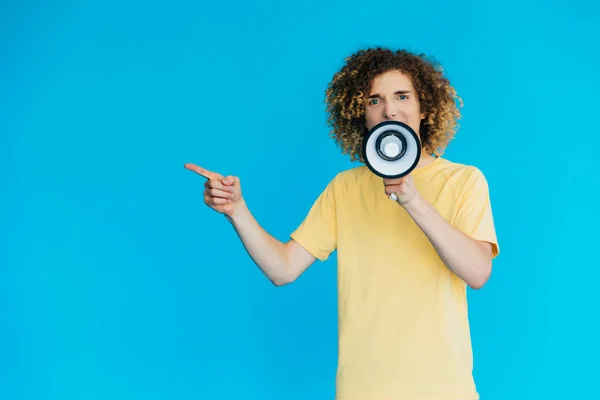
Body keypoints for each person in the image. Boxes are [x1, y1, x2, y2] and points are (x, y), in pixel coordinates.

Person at [185, 47, 499, 400]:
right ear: (361, 115)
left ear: (424, 108)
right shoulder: (345, 188)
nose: (389, 109)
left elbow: (478, 272)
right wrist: (237, 210)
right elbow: (282, 269)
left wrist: (412, 200)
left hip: (443, 390)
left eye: (402, 96)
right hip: (361, 390)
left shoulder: (465, 181)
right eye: (374, 100)